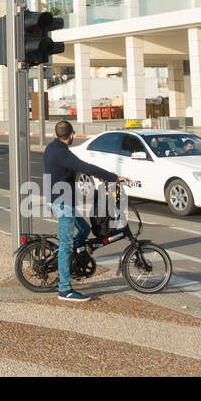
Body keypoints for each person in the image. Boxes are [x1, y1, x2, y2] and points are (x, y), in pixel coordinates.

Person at [43, 120, 122, 303]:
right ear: (71, 135)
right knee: (66, 245)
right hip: (64, 204)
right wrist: (113, 177)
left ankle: (74, 260)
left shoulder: (51, 148)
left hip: (58, 199)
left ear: (56, 134)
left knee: (85, 229)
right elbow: (85, 167)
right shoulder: (63, 154)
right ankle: (65, 289)